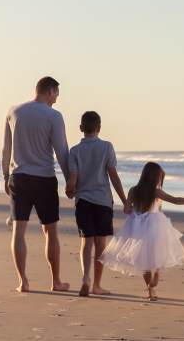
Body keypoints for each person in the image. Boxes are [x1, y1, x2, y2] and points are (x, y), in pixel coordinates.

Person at [1, 76, 71, 293]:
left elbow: (6, 149)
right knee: (50, 231)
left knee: (18, 231)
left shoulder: (14, 111)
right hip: (44, 178)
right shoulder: (54, 116)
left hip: (19, 177)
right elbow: (61, 151)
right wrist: (70, 179)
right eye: (56, 94)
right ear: (50, 91)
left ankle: (23, 281)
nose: (57, 100)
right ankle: (56, 281)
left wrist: (5, 176)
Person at [101, 162, 184, 301]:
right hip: (155, 224)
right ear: (155, 177)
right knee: (158, 251)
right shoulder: (156, 191)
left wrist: (134, 210)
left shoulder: (133, 190)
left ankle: (150, 290)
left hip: (136, 226)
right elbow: (176, 200)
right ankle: (157, 272)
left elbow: (126, 210)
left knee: (143, 258)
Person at [64, 111, 130, 297]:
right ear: (99, 128)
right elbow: (114, 177)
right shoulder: (107, 147)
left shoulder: (75, 151)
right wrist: (125, 201)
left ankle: (85, 278)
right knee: (101, 243)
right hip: (102, 201)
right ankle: (97, 285)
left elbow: (73, 180)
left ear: (81, 128)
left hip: (83, 201)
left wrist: (69, 190)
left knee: (86, 242)